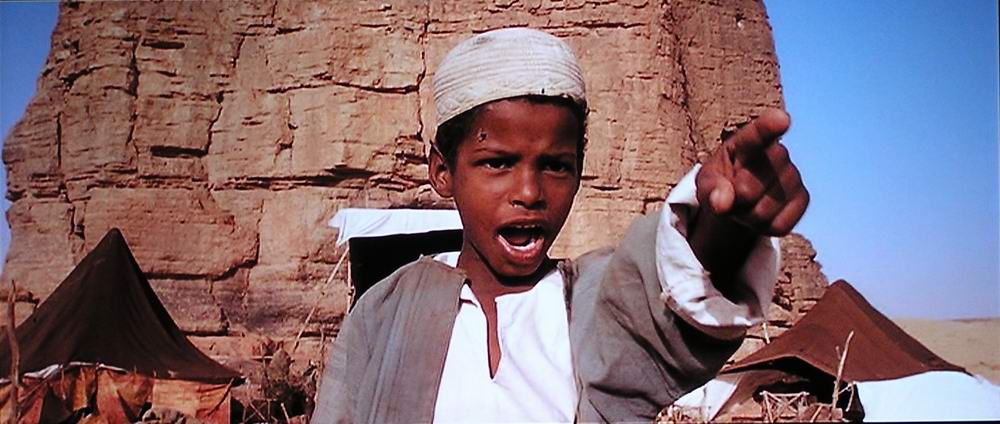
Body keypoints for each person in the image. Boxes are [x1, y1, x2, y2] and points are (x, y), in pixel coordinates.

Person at [311, 28, 808, 423]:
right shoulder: (385, 310)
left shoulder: (590, 303)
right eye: (497, 163)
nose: (530, 192)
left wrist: (725, 226)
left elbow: (667, 304)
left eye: (555, 165)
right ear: (443, 172)